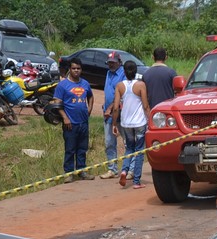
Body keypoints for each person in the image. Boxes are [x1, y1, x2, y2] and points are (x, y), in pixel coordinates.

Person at [112, 60, 151, 189]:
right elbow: (145, 105)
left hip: (126, 123)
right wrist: (150, 119)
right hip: (139, 122)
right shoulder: (141, 85)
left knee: (129, 148)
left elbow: (116, 107)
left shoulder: (119, 86)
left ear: (124, 72)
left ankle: (124, 170)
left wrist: (114, 123)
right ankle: (136, 181)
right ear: (136, 72)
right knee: (139, 151)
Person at [53, 60, 94, 181]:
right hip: (70, 123)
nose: (76, 71)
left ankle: (82, 171)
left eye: (79, 68)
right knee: (70, 149)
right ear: (69, 70)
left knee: (82, 148)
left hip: (83, 122)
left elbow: (90, 96)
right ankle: (69, 173)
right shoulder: (63, 85)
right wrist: (65, 117)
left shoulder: (85, 83)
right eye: (74, 68)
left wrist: (89, 109)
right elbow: (57, 102)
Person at [99, 51, 123, 179]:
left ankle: (128, 169)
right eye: (109, 63)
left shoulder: (123, 74)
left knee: (127, 142)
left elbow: (122, 95)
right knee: (109, 142)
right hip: (108, 114)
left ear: (119, 62)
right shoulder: (108, 73)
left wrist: (110, 107)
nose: (111, 65)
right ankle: (112, 169)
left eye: (113, 63)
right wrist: (106, 107)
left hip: (121, 113)